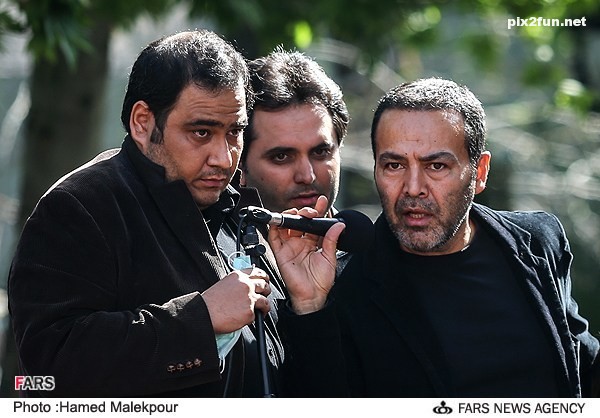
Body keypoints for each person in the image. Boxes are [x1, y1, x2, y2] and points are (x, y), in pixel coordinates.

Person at [272, 78, 600, 397]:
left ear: (480, 172)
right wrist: (309, 308)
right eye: (394, 165)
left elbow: (580, 366)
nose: (413, 188)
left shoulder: (537, 241)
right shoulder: (339, 287)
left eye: (437, 166)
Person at [8, 30, 291, 397]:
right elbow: (48, 372)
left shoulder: (238, 213)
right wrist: (199, 320)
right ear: (143, 122)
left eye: (234, 132)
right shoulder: (80, 206)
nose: (223, 158)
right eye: (201, 132)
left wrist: (310, 306)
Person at [239, 48, 349, 215]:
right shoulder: (206, 232)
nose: (307, 176)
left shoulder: (365, 232)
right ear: (240, 167)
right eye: (281, 157)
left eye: (320, 152)